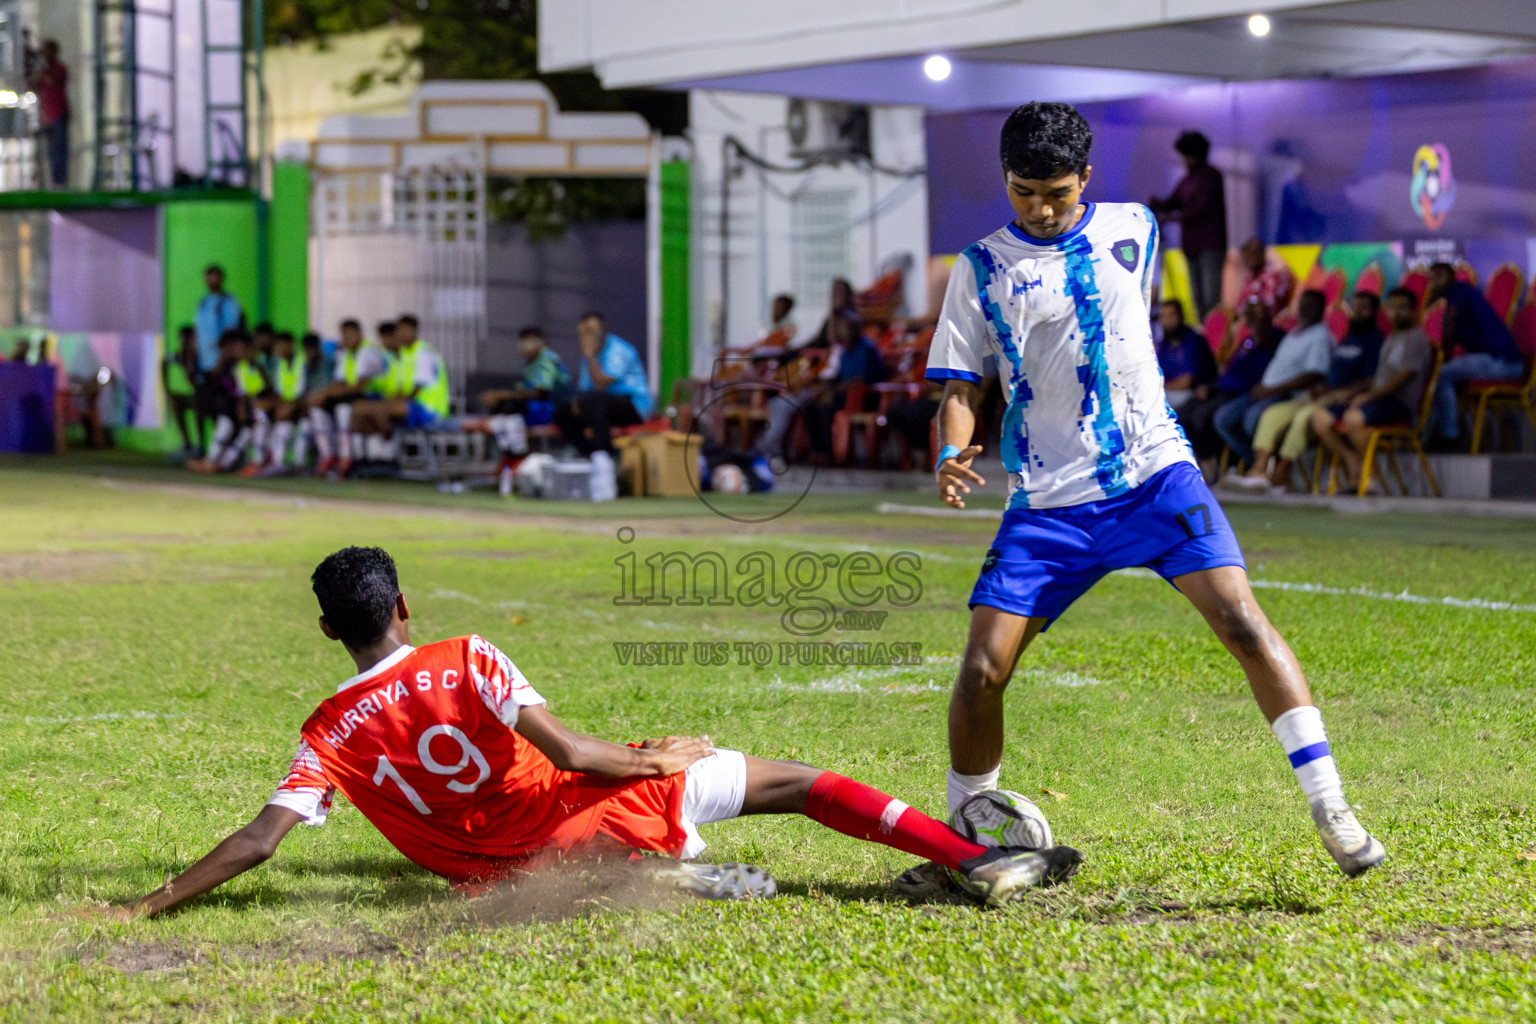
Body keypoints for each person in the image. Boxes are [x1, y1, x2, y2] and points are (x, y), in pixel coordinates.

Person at [913, 101, 1382, 898]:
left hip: (1154, 477)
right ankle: (968, 833)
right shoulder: (980, 267)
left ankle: (1333, 807)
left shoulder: (1133, 225)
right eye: (1025, 191)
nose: (1042, 207)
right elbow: (958, 386)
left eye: (1057, 192)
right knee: (982, 671)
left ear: (1087, 178)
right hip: (1048, 505)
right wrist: (953, 450)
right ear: (1005, 181)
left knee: (1242, 620)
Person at [98, 547, 1082, 922]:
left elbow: (261, 840)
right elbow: (573, 757)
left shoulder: (327, 728)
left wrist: (150, 901)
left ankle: (687, 874)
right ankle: (973, 857)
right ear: (402, 602)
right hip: (577, 812)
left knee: (638, 856)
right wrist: (656, 756)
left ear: (329, 630)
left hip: (502, 871)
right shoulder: (467, 655)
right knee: (798, 782)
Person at [1228, 290, 1383, 492]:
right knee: (1272, 415)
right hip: (1321, 394)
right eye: (1355, 307)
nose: (1358, 312)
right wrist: (1323, 386)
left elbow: (1372, 379)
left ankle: (1280, 474)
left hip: (1341, 397)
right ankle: (1259, 470)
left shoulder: (1375, 341)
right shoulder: (1347, 339)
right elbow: (1330, 371)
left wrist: (1344, 391)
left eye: (1365, 307)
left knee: (1303, 417)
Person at [1310, 288, 1435, 490]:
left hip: (1398, 403)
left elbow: (1404, 377)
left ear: (1414, 311)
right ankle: (1352, 461)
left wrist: (1369, 396)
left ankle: (1371, 477)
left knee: (1353, 418)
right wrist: (1354, 393)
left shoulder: (1416, 338)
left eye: (1404, 307)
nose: (1397, 312)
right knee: (1319, 418)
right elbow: (1377, 377)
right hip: (1377, 400)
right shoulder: (1391, 337)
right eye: (1394, 307)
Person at [1213, 289, 1331, 477]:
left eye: (1311, 304)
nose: (1305, 308)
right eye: (1303, 303)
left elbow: (1314, 374)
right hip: (1264, 390)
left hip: (1287, 395)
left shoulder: (1320, 336)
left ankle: (1264, 467)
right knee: (1222, 418)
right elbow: (1277, 366)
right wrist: (1262, 385)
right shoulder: (1294, 334)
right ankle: (1254, 464)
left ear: (1322, 308)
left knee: (1252, 420)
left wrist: (1273, 389)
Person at [1423, 262, 1524, 447]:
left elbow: (1449, 323)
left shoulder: (1458, 291)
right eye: (1430, 277)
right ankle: (1434, 433)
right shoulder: (1458, 296)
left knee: (1441, 375)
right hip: (1497, 361)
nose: (1431, 282)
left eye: (1436, 276)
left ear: (1446, 276)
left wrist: (1442, 357)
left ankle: (1449, 436)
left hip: (1502, 362)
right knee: (1444, 373)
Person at [1178, 299, 1279, 467]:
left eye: (1257, 314)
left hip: (1242, 392)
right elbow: (1231, 370)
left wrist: (1257, 325)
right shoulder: (1247, 340)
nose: (1252, 318)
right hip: (1221, 388)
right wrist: (1210, 386)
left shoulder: (1273, 337)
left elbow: (1264, 344)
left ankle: (1233, 463)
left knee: (1204, 417)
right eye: (1251, 314)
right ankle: (1203, 464)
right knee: (1181, 414)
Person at [1148, 131, 1226, 319]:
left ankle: (1213, 337)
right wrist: (1158, 204)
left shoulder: (1211, 177)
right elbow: (1173, 202)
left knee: (1210, 299)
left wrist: (1172, 218)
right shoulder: (1186, 180)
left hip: (1210, 245)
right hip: (1192, 246)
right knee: (1198, 299)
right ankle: (1205, 332)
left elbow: (1202, 209)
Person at [554, 313, 652, 456]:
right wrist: (575, 403)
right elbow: (585, 389)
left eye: (591, 330)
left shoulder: (619, 350)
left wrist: (591, 356)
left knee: (594, 400)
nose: (588, 336)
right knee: (563, 411)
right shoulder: (588, 357)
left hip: (634, 405)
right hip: (603, 405)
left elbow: (601, 384)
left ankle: (604, 454)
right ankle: (589, 454)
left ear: (603, 329)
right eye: (584, 332)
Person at [350, 314, 451, 451]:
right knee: (359, 408)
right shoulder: (404, 355)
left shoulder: (423, 353)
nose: (399, 335)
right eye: (398, 331)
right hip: (412, 406)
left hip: (429, 409)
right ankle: (368, 455)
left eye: (402, 330)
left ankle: (388, 452)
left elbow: (415, 391)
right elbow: (401, 389)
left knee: (380, 410)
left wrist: (388, 404)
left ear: (412, 330)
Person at [306, 320, 392, 478]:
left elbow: (359, 386)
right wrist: (322, 395)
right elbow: (338, 382)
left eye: (347, 334)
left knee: (343, 408)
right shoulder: (346, 353)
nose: (344, 338)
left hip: (373, 398)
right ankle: (328, 456)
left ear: (358, 334)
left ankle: (347, 458)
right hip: (353, 397)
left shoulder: (368, 351)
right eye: (342, 335)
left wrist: (325, 394)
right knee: (318, 408)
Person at [802, 314, 886, 461]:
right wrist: (822, 390)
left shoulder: (866, 348)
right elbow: (838, 377)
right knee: (810, 404)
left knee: (828, 405)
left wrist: (832, 392)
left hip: (865, 398)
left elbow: (860, 380)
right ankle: (818, 451)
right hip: (843, 392)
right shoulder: (844, 350)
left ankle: (830, 453)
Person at [187, 330, 255, 474]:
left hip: (254, 412)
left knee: (244, 430)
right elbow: (214, 379)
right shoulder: (230, 365)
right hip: (234, 411)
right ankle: (213, 462)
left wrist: (244, 406)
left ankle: (217, 463)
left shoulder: (251, 366)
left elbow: (248, 392)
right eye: (230, 347)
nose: (233, 350)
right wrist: (223, 357)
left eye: (236, 347)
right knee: (226, 424)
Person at [241, 331, 308, 477]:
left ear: (291, 344)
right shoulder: (281, 363)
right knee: (260, 416)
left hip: (300, 408)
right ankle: (260, 460)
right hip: (284, 407)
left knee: (282, 425)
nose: (279, 349)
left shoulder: (301, 361)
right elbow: (278, 391)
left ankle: (279, 463)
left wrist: (278, 405)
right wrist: (272, 404)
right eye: (278, 346)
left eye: (282, 345)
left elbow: (301, 393)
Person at [479, 326, 572, 416]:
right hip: (544, 404)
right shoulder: (530, 365)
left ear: (541, 342)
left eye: (531, 340)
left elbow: (539, 393)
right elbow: (526, 389)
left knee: (513, 405)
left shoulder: (547, 358)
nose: (526, 345)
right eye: (523, 341)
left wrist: (501, 395)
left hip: (557, 406)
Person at [1153, 299, 1217, 412]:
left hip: (1199, 392)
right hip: (1173, 392)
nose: (1168, 320)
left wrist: (1161, 388)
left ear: (1180, 315)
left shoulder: (1193, 340)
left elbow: (1186, 382)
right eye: (1164, 316)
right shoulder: (1164, 345)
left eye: (1172, 315)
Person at [28, 40, 69, 188]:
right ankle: (53, 181)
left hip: (59, 113)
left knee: (60, 150)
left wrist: (44, 68)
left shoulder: (59, 68)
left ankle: (61, 182)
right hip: (47, 116)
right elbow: (32, 86)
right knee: (51, 152)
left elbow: (54, 82)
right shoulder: (42, 72)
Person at [162, 325, 204, 457]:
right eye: (183, 339)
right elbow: (163, 361)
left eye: (189, 339)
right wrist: (166, 387)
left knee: (199, 408)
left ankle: (201, 446)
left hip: (202, 396)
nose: (185, 342)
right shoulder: (178, 356)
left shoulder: (201, 357)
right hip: (187, 395)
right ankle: (187, 445)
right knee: (176, 402)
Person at [193, 265, 244, 373]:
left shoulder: (229, 302)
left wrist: (222, 362)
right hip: (203, 362)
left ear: (221, 278)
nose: (212, 280)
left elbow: (230, 334)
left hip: (221, 363)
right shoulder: (203, 302)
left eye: (215, 277)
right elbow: (197, 331)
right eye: (209, 277)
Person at [1235, 239, 1295, 321]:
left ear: (1262, 254)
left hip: (1269, 324)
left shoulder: (1273, 277)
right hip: (1250, 322)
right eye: (1246, 256)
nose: (1249, 259)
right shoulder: (1251, 279)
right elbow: (1240, 308)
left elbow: (1270, 308)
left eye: (1253, 255)